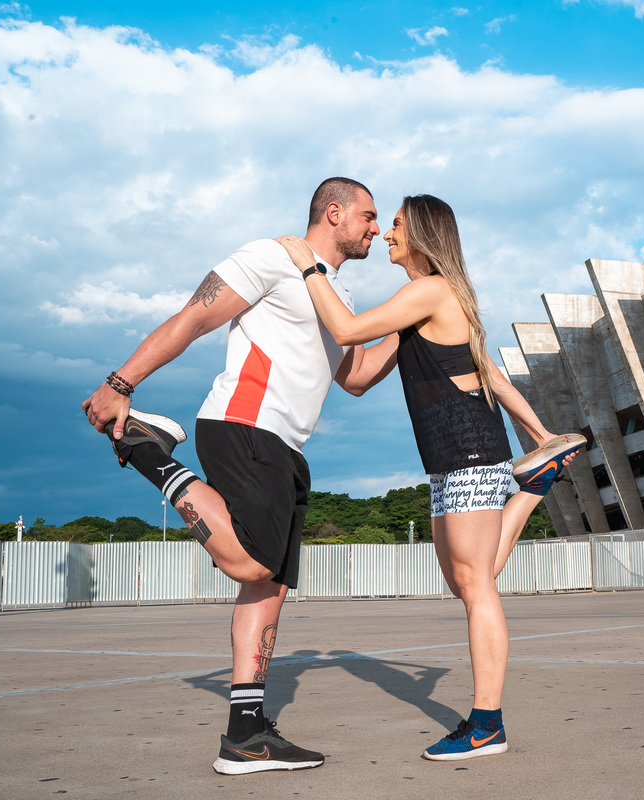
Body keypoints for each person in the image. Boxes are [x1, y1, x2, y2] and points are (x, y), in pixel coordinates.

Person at [82, 177, 393, 775]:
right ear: (335, 213)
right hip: (243, 423)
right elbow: (194, 319)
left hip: (286, 445)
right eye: (369, 217)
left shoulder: (338, 296)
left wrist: (413, 325)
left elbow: (354, 376)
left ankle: (246, 734)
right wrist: (120, 384)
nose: (376, 229)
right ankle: (144, 449)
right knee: (249, 562)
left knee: (267, 585)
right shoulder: (270, 258)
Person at [275, 193, 586, 761]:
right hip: (451, 454)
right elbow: (360, 374)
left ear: (419, 234)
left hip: (469, 448)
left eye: (393, 225)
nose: (386, 233)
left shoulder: (429, 290)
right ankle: (533, 486)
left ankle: (487, 724)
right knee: (468, 578)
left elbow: (347, 329)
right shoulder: (425, 305)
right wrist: (540, 434)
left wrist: (308, 267)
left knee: (477, 586)